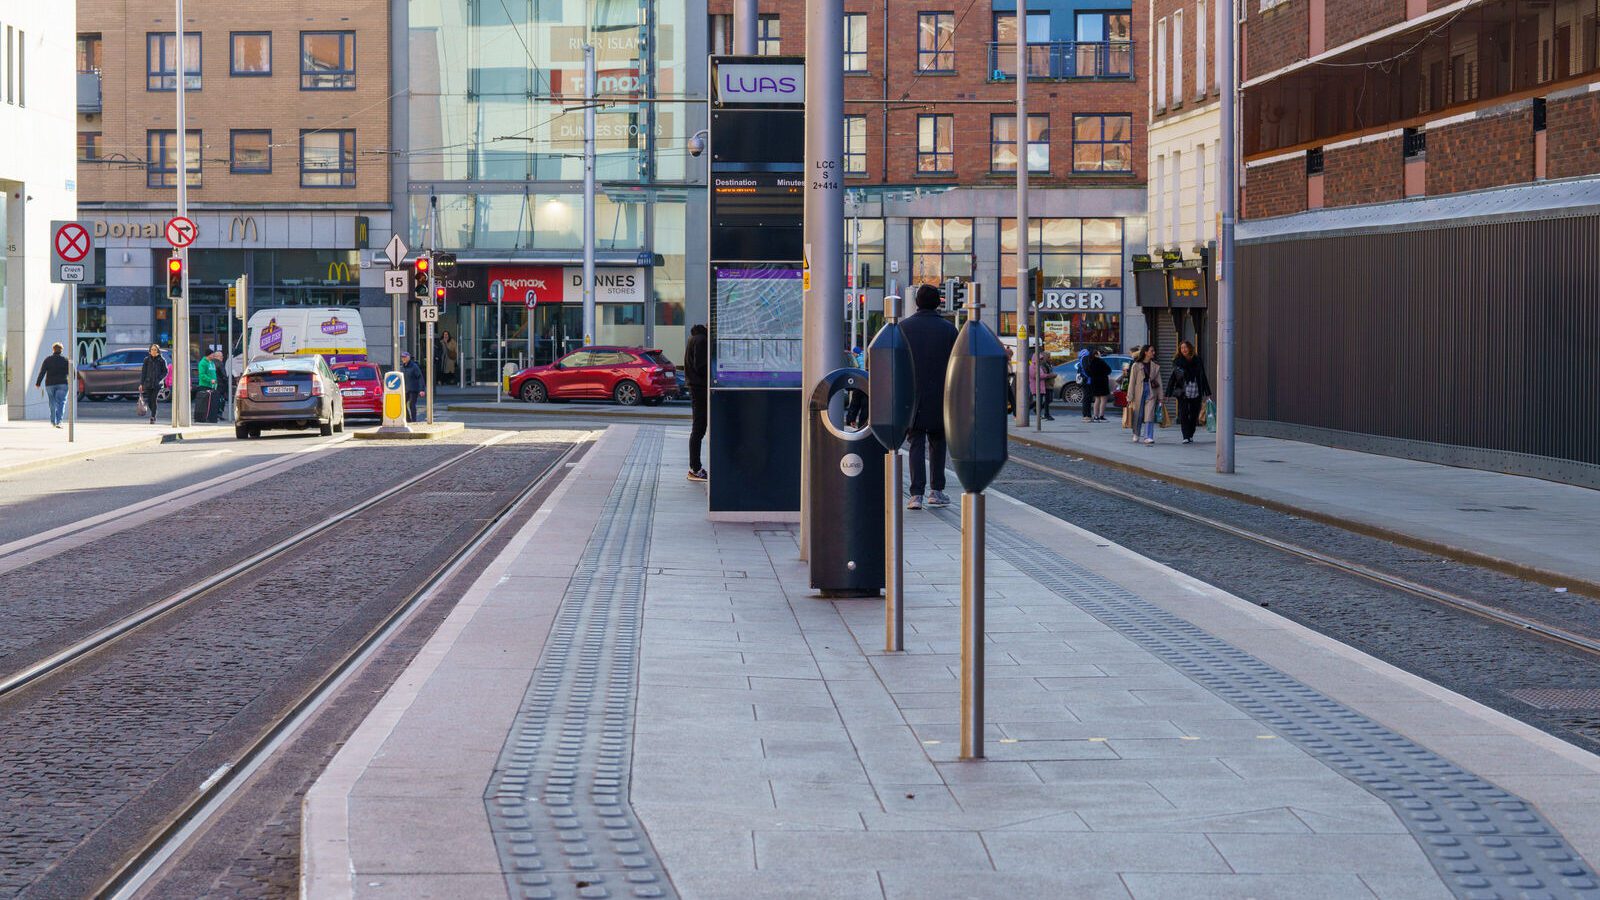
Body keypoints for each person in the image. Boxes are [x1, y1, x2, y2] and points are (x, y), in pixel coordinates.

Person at [898, 283, 958, 510]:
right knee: (938, 442)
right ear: (938, 302)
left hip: (912, 395)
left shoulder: (903, 328)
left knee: (915, 442)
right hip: (941, 395)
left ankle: (916, 494)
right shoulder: (949, 329)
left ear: (916, 303)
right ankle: (937, 490)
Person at [1167, 340, 1212, 444]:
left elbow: (1203, 376)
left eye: (1185, 347)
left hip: (1196, 389)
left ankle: (1191, 433)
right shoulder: (1178, 362)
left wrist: (1207, 392)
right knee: (1183, 413)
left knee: (1194, 413)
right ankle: (1185, 436)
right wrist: (1168, 393)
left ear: (1190, 348)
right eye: (1182, 348)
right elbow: (1173, 377)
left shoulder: (1197, 360)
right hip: (1183, 391)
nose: (1184, 350)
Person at [684, 323, 709, 481]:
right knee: (699, 428)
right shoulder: (701, 340)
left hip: (696, 387)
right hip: (700, 388)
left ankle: (696, 467)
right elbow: (701, 366)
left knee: (698, 428)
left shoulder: (695, 338)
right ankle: (695, 468)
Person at [1125, 345, 1164, 445]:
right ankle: (1136, 433)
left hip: (1151, 391)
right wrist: (1130, 396)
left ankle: (1148, 436)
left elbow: (1159, 381)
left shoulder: (1155, 366)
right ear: (1145, 352)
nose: (1153, 352)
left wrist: (1161, 397)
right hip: (1139, 391)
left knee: (1149, 413)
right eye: (1152, 351)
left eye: (1153, 351)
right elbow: (1132, 382)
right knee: (1139, 414)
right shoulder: (1136, 365)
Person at [35, 342, 70, 428]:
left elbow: (42, 372)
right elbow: (72, 372)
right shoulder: (66, 360)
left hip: (50, 384)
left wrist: (38, 383)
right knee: (61, 402)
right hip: (63, 384)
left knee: (52, 402)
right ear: (62, 350)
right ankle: (59, 422)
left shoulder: (47, 360)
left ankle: (53, 421)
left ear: (53, 349)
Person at [139, 344, 167, 425]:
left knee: (154, 400)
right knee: (149, 401)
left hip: (157, 384)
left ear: (158, 351)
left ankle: (153, 416)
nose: (153, 351)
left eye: (155, 349)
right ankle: (154, 411)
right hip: (148, 383)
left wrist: (159, 378)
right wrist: (141, 383)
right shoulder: (146, 360)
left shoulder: (161, 360)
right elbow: (143, 372)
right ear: (150, 351)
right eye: (152, 349)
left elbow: (165, 371)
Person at [1084, 348, 1113, 422]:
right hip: (1102, 382)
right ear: (1096, 354)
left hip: (1094, 382)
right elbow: (1109, 370)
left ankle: (1095, 416)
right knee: (1103, 399)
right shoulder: (1100, 361)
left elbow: (1088, 373)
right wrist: (1103, 374)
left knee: (1097, 399)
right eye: (1099, 354)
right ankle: (1101, 416)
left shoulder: (1090, 362)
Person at [400, 350, 425, 421]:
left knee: (411, 404)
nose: (403, 359)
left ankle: (414, 420)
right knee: (402, 404)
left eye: (405, 357)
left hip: (414, 389)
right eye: (402, 357)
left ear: (409, 358)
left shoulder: (414, 366)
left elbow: (420, 377)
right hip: (405, 389)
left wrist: (422, 390)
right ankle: (408, 419)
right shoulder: (403, 367)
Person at [1029, 353, 1055, 421]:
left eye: (1041, 359)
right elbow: (1037, 376)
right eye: (1040, 359)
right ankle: (1030, 411)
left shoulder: (1039, 366)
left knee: (1039, 401)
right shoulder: (1032, 366)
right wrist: (1048, 375)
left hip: (1040, 386)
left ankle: (1037, 413)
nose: (1040, 360)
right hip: (1036, 387)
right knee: (1039, 401)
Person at [195, 349, 218, 423]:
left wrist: (215, 382)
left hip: (212, 386)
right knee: (204, 404)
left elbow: (214, 373)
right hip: (205, 386)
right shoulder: (203, 363)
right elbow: (202, 375)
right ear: (208, 355)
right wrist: (210, 380)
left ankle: (210, 417)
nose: (214, 356)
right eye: (212, 354)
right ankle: (203, 417)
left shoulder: (212, 363)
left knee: (211, 404)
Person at [1076, 347, 1092, 421]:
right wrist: (1091, 375)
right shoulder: (1085, 358)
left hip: (1085, 380)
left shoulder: (1082, 357)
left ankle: (1087, 415)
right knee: (1087, 398)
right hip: (1087, 380)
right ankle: (1086, 415)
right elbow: (1086, 369)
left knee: (1087, 397)